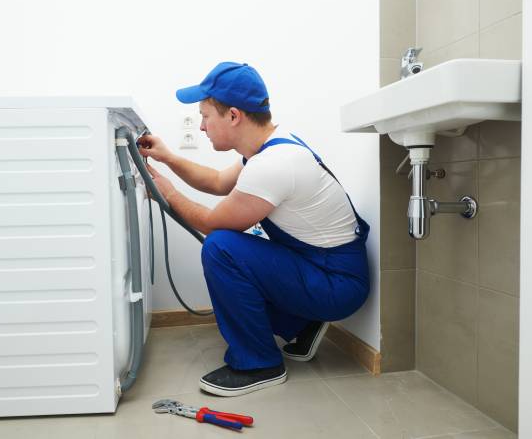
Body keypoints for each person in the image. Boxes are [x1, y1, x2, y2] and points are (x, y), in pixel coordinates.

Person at [137, 62, 370, 397]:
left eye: (205, 116)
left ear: (233, 116)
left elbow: (211, 223)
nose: (201, 127)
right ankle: (304, 321)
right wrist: (169, 158)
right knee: (233, 248)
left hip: (337, 283)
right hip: (322, 268)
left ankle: (259, 364)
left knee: (221, 248)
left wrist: (167, 193)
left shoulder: (275, 164)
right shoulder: (270, 146)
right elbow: (217, 182)